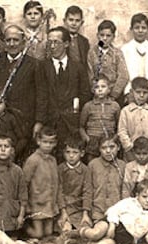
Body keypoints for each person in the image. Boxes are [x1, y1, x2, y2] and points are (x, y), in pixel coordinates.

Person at [0, 24, 46, 154]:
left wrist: (39, 121)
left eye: (16, 40)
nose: (12, 44)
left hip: (24, 121)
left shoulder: (34, 64)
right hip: (1, 119)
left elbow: (42, 94)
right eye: (8, 40)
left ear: (23, 42)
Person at [41, 26, 90, 163]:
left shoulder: (78, 67)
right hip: (51, 122)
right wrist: (40, 121)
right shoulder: (43, 67)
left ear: (67, 44)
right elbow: (41, 95)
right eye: (49, 42)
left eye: (56, 42)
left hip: (71, 124)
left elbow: (85, 94)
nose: (52, 46)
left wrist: (78, 118)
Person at [79, 179, 148, 244]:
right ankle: (78, 232)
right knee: (96, 233)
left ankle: (80, 243)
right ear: (137, 195)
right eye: (144, 197)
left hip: (123, 238)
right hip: (112, 223)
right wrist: (112, 225)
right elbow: (113, 210)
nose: (147, 200)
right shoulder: (129, 202)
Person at [79, 135, 125, 242]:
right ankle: (76, 235)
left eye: (112, 147)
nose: (108, 151)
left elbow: (125, 192)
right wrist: (86, 214)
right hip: (98, 214)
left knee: (111, 242)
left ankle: (82, 242)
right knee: (98, 233)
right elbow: (88, 191)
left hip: (117, 215)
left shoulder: (123, 166)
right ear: (99, 149)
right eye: (104, 148)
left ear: (118, 147)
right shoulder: (93, 165)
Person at [23, 126, 63, 238]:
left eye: (51, 142)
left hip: (49, 202)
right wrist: (25, 204)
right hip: (36, 202)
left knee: (49, 233)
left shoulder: (53, 160)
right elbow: (24, 182)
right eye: (45, 142)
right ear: (38, 141)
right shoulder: (33, 160)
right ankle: (23, 227)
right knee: (38, 234)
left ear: (55, 143)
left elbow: (56, 182)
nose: (48, 145)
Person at [121, 13, 148, 103]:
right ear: (131, 29)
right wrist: (127, 92)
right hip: (132, 92)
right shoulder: (125, 49)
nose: (140, 31)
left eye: (143, 28)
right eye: (137, 28)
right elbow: (123, 73)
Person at [118, 77, 148, 162]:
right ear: (132, 92)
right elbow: (122, 131)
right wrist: (128, 148)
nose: (141, 95)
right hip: (131, 152)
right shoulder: (126, 111)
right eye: (138, 92)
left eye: (145, 93)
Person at [80, 74, 120, 162]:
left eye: (103, 86)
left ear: (109, 89)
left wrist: (114, 139)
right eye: (97, 87)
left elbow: (119, 126)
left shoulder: (115, 106)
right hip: (92, 141)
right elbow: (81, 127)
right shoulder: (88, 106)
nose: (100, 89)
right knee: (92, 164)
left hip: (109, 140)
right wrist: (87, 139)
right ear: (93, 90)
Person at [87, 20, 129, 104]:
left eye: (108, 36)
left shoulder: (117, 53)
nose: (104, 38)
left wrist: (114, 95)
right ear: (97, 35)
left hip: (114, 97)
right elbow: (90, 74)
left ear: (113, 37)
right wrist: (96, 91)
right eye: (102, 35)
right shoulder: (92, 53)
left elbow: (123, 75)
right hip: (96, 95)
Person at [57, 135, 92, 232]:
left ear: (82, 153)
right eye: (68, 152)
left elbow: (87, 192)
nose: (71, 156)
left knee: (86, 230)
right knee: (66, 229)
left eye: (75, 152)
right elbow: (59, 192)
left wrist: (85, 213)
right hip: (63, 208)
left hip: (79, 209)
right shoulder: (60, 169)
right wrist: (63, 212)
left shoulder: (85, 170)